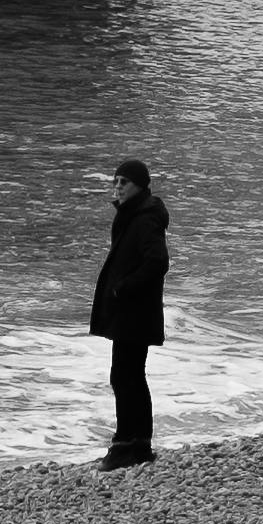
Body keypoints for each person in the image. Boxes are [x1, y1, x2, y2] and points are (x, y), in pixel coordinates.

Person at [87, 157, 168, 467]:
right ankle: (139, 444)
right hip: (133, 313)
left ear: (140, 187)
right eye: (115, 182)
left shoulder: (145, 218)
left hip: (135, 313)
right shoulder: (134, 213)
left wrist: (124, 288)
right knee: (130, 375)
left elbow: (158, 261)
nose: (118, 187)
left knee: (124, 376)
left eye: (125, 182)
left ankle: (125, 445)